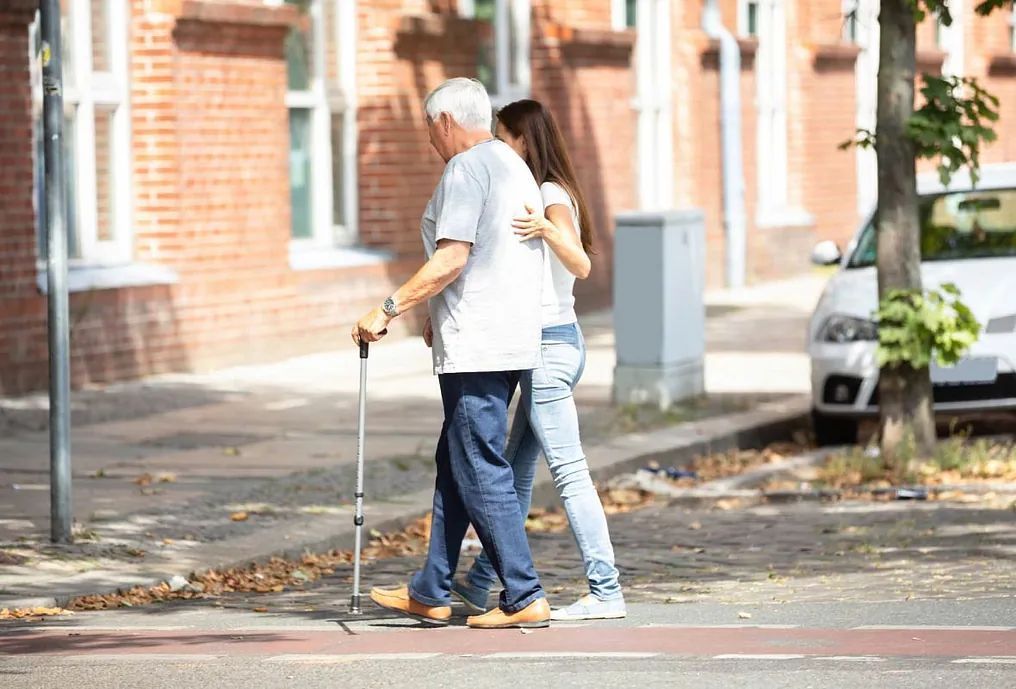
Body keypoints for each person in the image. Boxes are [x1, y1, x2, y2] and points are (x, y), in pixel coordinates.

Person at [351, 78, 550, 629]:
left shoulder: (466, 168)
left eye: (429, 128)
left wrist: (388, 309)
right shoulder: (512, 165)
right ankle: (431, 588)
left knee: (480, 465)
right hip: (506, 338)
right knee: (457, 461)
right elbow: (495, 258)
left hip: (477, 345)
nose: (429, 141)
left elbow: (452, 257)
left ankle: (524, 594)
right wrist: (436, 313)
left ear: (445, 121)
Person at [451, 99, 626, 621]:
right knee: (517, 472)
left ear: (523, 141)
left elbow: (582, 263)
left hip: (549, 349)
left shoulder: (548, 194)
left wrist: (548, 230)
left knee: (569, 473)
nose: (497, 146)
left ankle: (606, 590)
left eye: (502, 137)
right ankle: (480, 581)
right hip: (553, 343)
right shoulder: (547, 188)